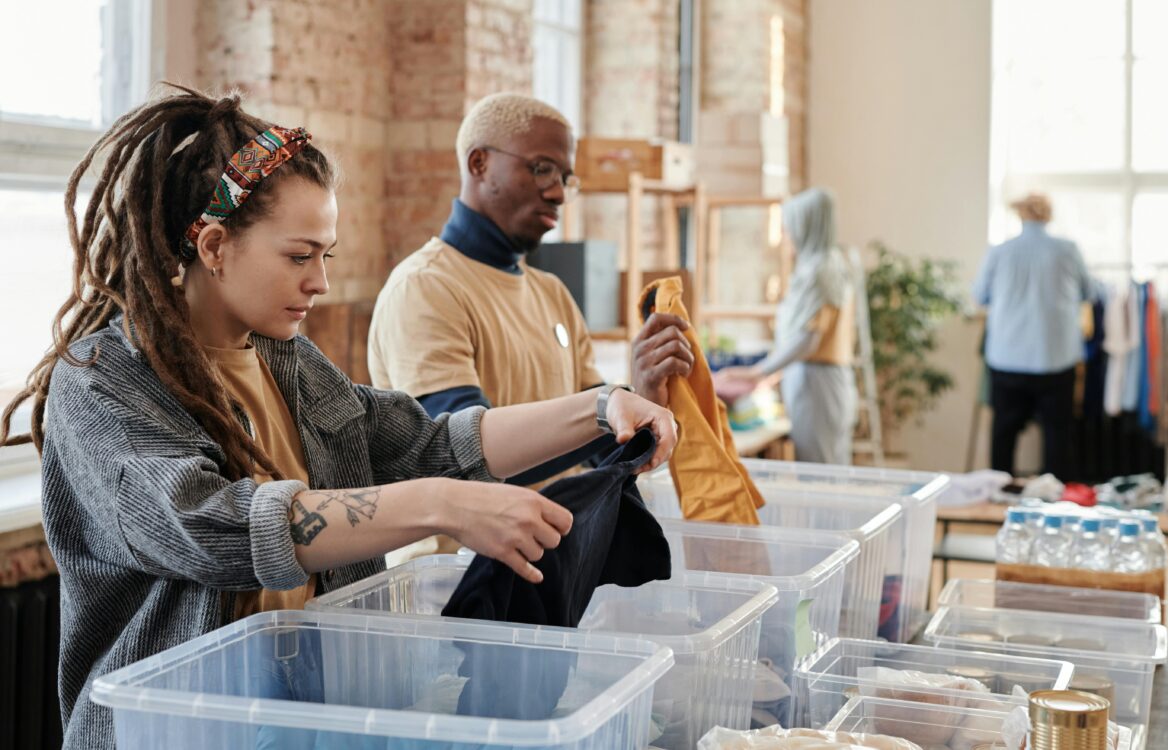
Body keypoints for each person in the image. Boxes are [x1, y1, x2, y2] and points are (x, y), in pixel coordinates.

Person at [0, 86, 676, 748]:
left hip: (314, 715)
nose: (319, 281)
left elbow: (425, 443)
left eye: (325, 255)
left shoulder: (287, 359)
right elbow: (213, 527)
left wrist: (598, 408)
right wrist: (439, 505)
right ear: (212, 246)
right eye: (299, 256)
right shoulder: (102, 385)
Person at [368, 93, 693, 486]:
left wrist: (643, 394)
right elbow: (460, 461)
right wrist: (606, 407)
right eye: (542, 169)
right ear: (479, 163)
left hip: (551, 544)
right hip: (458, 549)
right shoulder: (425, 288)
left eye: (564, 179)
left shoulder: (552, 293)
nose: (557, 193)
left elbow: (602, 453)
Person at [713, 188, 859, 465]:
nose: (786, 237)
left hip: (817, 384)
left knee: (821, 471)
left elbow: (807, 339)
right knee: (829, 466)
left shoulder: (819, 270)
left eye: (790, 229)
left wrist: (757, 372)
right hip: (823, 381)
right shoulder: (830, 264)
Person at [972, 192, 1096, 479]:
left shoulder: (1000, 251)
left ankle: (999, 497)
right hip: (1055, 357)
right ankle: (1055, 504)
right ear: (1048, 215)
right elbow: (1088, 293)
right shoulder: (1068, 250)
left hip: (1007, 356)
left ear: (1020, 215)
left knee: (1004, 433)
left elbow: (979, 295)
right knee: (1057, 436)